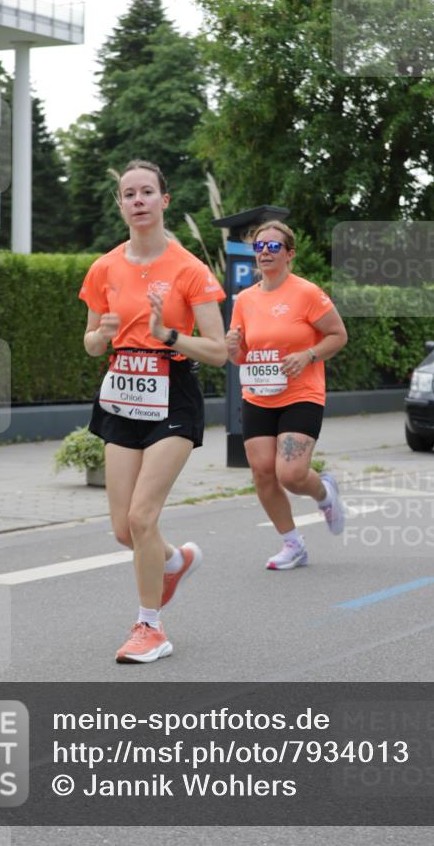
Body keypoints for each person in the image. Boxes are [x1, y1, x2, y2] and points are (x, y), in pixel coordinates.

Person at [80, 160, 227, 662]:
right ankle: (175, 560)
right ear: (120, 205)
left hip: (173, 393)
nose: (138, 200)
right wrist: (99, 336)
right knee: (125, 529)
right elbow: (92, 342)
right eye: (129, 193)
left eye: (147, 192)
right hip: (122, 394)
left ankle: (150, 629)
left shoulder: (190, 269)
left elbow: (218, 351)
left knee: (144, 516)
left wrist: (168, 334)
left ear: (165, 201)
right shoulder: (104, 267)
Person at [226, 221, 349, 568]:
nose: (265, 251)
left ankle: (325, 494)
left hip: (301, 393)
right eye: (259, 246)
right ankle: (292, 544)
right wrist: (233, 347)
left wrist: (308, 355)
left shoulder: (307, 293)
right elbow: (238, 356)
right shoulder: (245, 299)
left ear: (290, 253)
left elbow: (338, 335)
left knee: (291, 474)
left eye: (273, 246)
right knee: (263, 472)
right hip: (258, 396)